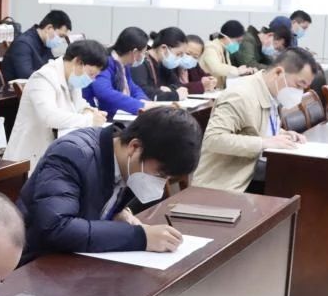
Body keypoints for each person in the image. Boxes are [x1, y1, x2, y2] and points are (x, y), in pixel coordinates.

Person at [17, 107, 202, 262]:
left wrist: (115, 213)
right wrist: (140, 237)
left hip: (78, 260)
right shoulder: (72, 153)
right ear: (135, 147)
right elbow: (56, 227)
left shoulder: (126, 164)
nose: (161, 183)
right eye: (160, 174)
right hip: (36, 263)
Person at [193, 48, 320, 193]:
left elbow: (254, 127)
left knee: (301, 180)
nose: (299, 92)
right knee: (295, 186)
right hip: (225, 185)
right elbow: (213, 139)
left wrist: (282, 134)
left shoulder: (270, 91)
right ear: (278, 73)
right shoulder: (240, 96)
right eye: (299, 85)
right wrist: (264, 143)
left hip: (249, 172)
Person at [4, 39, 108, 169]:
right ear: (78, 62)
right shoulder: (43, 77)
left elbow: (79, 104)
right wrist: (89, 120)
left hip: (56, 152)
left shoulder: (71, 77)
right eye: (91, 74)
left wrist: (89, 111)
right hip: (29, 159)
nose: (91, 79)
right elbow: (49, 117)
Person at [83, 26, 150, 119]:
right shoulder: (105, 62)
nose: (144, 56)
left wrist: (143, 100)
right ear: (135, 52)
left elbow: (133, 88)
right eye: (143, 53)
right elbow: (104, 92)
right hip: (99, 116)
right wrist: (140, 105)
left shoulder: (124, 65)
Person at [0, 10, 71, 82]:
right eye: (61, 36)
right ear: (49, 28)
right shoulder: (23, 44)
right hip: (18, 88)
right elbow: (26, 75)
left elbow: (50, 66)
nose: (61, 40)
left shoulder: (45, 42)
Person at [132, 28, 191, 102]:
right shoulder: (140, 62)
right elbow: (142, 91)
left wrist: (170, 89)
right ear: (163, 48)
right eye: (178, 54)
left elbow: (178, 85)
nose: (179, 58)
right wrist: (174, 95)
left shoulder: (163, 64)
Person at [200, 20, 255, 89]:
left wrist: (242, 72)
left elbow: (225, 72)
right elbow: (217, 68)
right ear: (226, 37)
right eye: (238, 41)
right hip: (207, 90)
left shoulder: (224, 49)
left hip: (217, 89)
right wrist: (237, 70)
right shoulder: (210, 48)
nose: (239, 44)